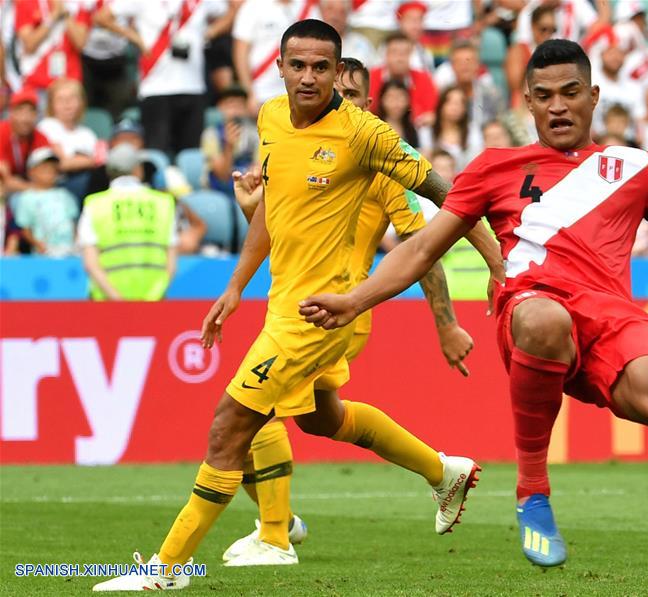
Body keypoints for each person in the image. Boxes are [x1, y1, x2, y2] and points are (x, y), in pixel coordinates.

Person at [301, 39, 648, 569]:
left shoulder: (635, 167)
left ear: (595, 96)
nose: (558, 106)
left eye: (571, 92)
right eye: (545, 96)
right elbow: (421, 248)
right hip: (530, 307)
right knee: (544, 318)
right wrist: (355, 300)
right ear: (527, 103)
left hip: (611, 318)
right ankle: (532, 492)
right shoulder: (492, 168)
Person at [92, 20, 503, 591]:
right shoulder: (269, 119)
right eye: (297, 65)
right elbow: (274, 213)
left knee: (232, 425)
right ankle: (442, 472)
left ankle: (180, 566)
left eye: (320, 67)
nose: (308, 77)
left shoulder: (365, 136)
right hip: (280, 302)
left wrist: (495, 261)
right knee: (319, 416)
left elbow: (448, 198)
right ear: (279, 66)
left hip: (321, 314)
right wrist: (236, 285)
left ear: (338, 72)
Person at [220, 56, 475, 566]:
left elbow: (421, 250)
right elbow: (286, 237)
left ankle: (275, 534)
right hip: (298, 305)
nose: (340, 102)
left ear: (367, 106)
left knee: (253, 410)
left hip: (338, 311)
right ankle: (443, 472)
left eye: (351, 94)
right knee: (320, 419)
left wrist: (446, 323)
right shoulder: (305, 153)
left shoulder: (382, 169)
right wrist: (254, 211)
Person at [93, 0, 233, 156]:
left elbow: (230, 11)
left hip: (193, 86)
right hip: (155, 87)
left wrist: (210, 32)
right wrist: (134, 38)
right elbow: (101, 17)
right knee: (157, 154)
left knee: (191, 154)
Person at [78, 143, 178, 300]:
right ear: (138, 170)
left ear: (108, 171)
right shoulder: (164, 203)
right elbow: (171, 264)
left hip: (107, 304)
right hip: (153, 303)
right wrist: (151, 299)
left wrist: (119, 301)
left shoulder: (94, 204)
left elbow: (91, 263)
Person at [232, 0, 320, 114]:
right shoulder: (253, 6)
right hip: (261, 94)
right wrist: (249, 93)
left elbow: (318, 48)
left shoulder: (308, 7)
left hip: (299, 94)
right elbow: (240, 53)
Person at [37, 77, 101, 201]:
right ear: (51, 104)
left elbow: (100, 162)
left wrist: (74, 160)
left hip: (88, 184)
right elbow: (61, 165)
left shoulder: (88, 134)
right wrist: (89, 160)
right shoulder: (46, 127)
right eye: (60, 99)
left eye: (72, 98)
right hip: (58, 186)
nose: (67, 104)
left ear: (81, 102)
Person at [13, 0, 90, 94]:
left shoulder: (79, 5)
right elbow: (29, 45)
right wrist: (54, 15)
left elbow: (80, 43)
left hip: (69, 82)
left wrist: (65, 14)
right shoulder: (27, 3)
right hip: (36, 81)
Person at [12, 146, 78, 256]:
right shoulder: (26, 198)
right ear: (31, 172)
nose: (49, 173)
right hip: (43, 254)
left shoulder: (65, 195)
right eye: (44, 169)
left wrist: (76, 244)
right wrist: (39, 245)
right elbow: (25, 229)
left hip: (69, 251)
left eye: (53, 169)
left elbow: (73, 223)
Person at [201, 84, 259, 197]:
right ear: (220, 107)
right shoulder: (211, 135)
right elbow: (221, 176)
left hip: (249, 186)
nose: (235, 110)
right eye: (230, 104)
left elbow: (258, 167)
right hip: (219, 190)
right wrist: (229, 146)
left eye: (240, 105)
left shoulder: (256, 134)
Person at [369, 33, 439, 127]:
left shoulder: (423, 78)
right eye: (395, 52)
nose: (400, 58)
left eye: (405, 53)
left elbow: (432, 112)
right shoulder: (370, 77)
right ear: (385, 54)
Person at [0, 88, 50, 194]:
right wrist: (35, 187)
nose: (25, 118)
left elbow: (48, 175)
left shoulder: (40, 137)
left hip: (28, 190)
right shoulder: (2, 132)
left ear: (36, 115)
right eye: (20, 110)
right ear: (11, 113)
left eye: (31, 111)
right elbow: (5, 180)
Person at [419, 85, 481, 168]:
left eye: (460, 103)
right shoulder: (427, 131)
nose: (455, 107)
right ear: (441, 105)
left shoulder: (472, 131)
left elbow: (476, 160)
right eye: (451, 102)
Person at [376, 79, 419, 147]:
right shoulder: (375, 127)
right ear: (382, 100)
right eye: (391, 97)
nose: (396, 103)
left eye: (400, 97)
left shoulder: (411, 130)